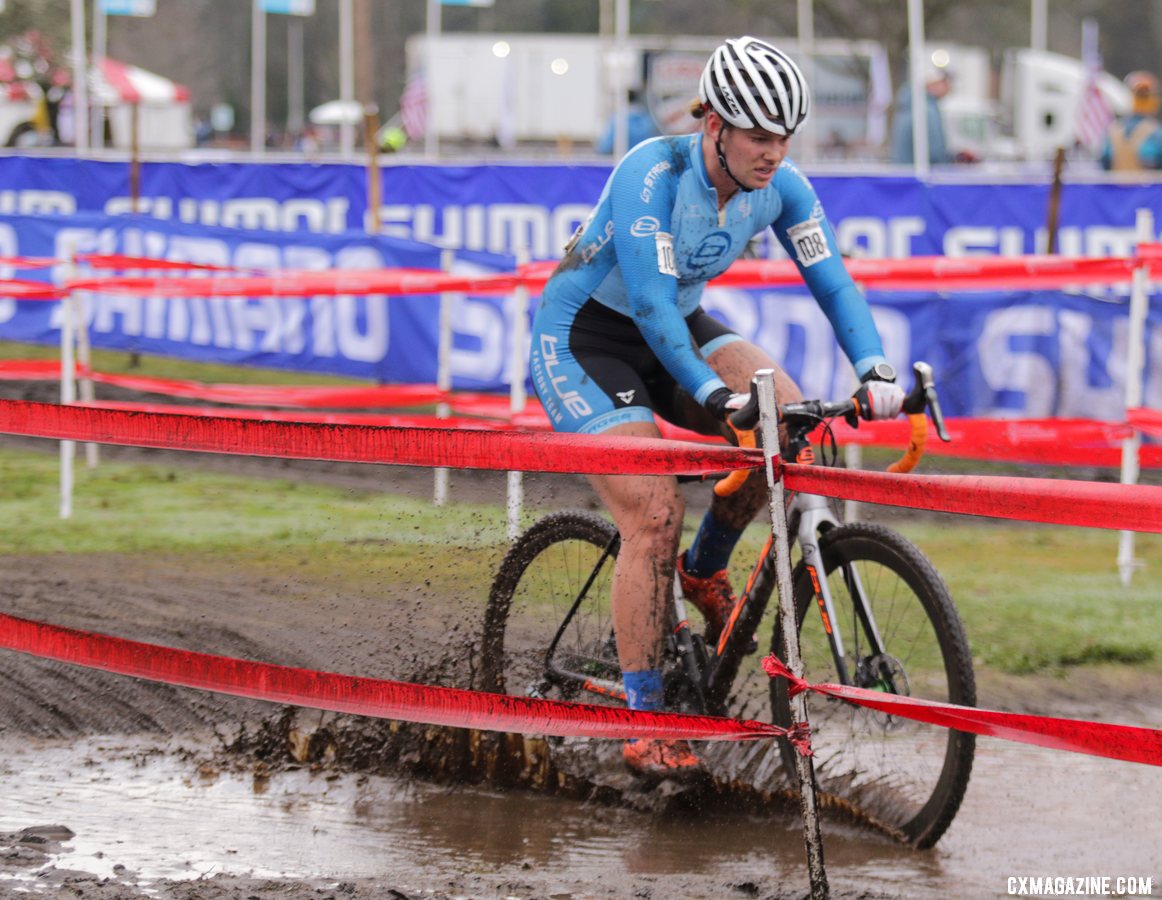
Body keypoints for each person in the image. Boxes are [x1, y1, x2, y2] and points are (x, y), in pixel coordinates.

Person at [529, 35, 904, 780]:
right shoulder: (651, 173)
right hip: (587, 338)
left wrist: (875, 367)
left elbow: (833, 281)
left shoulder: (783, 187)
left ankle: (702, 572)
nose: (774, 152)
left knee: (787, 420)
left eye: (784, 138)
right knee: (654, 512)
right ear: (715, 128)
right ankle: (648, 720)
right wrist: (709, 394)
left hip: (677, 323)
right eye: (759, 136)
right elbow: (649, 303)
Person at [890, 65, 952, 165]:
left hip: (905, 173)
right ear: (932, 84)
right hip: (919, 175)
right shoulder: (926, 111)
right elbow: (934, 152)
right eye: (944, 83)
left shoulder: (907, 107)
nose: (949, 87)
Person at [1101, 71, 1162, 171]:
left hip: (1116, 185)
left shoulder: (1113, 130)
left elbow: (1104, 162)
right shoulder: (1156, 133)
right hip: (1149, 186)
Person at [596, 88, 661, 154]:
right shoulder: (648, 118)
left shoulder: (617, 118)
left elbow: (605, 147)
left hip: (623, 158)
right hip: (644, 158)